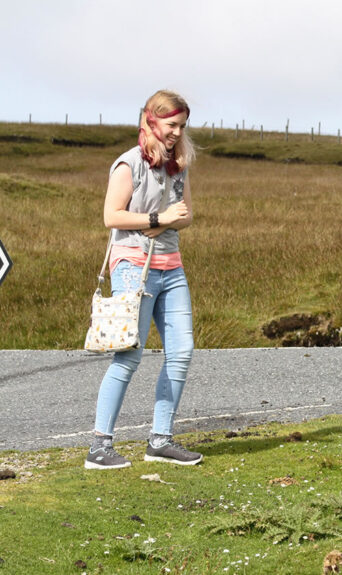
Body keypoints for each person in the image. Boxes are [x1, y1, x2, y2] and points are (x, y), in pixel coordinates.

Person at [85, 90, 202, 469]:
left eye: (182, 126)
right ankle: (99, 446)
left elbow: (186, 215)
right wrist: (158, 220)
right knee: (129, 354)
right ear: (151, 121)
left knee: (181, 352)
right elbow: (111, 217)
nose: (176, 133)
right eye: (171, 125)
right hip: (133, 267)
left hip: (172, 267)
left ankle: (160, 440)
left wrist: (170, 219)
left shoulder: (178, 165)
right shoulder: (128, 164)